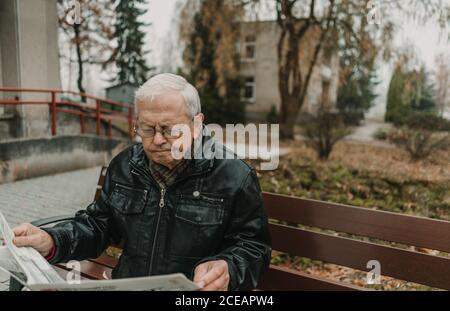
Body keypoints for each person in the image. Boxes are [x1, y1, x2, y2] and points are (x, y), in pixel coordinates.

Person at [12, 73, 272, 291]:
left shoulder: (234, 176)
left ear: (196, 124)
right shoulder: (125, 166)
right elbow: (97, 225)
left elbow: (253, 247)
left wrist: (228, 267)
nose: (157, 140)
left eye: (169, 129)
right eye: (147, 129)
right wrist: (51, 239)